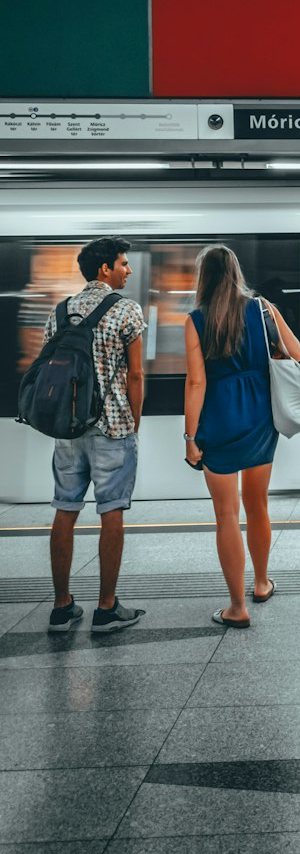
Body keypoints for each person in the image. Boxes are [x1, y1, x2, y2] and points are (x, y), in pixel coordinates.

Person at [183, 245, 300, 627]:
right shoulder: (263, 308)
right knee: (257, 506)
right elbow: (295, 353)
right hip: (258, 417)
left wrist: (190, 436)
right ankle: (262, 582)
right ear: (235, 272)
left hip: (218, 419)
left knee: (226, 515)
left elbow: (196, 382)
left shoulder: (196, 320)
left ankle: (237, 607)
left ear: (204, 277)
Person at [47, 237, 146, 634]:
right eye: (124, 263)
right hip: (112, 427)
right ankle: (107, 608)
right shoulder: (126, 310)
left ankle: (61, 606)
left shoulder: (59, 311)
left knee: (64, 510)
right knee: (112, 512)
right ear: (104, 268)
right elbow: (136, 373)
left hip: (68, 430)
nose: (129, 269)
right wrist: (134, 421)